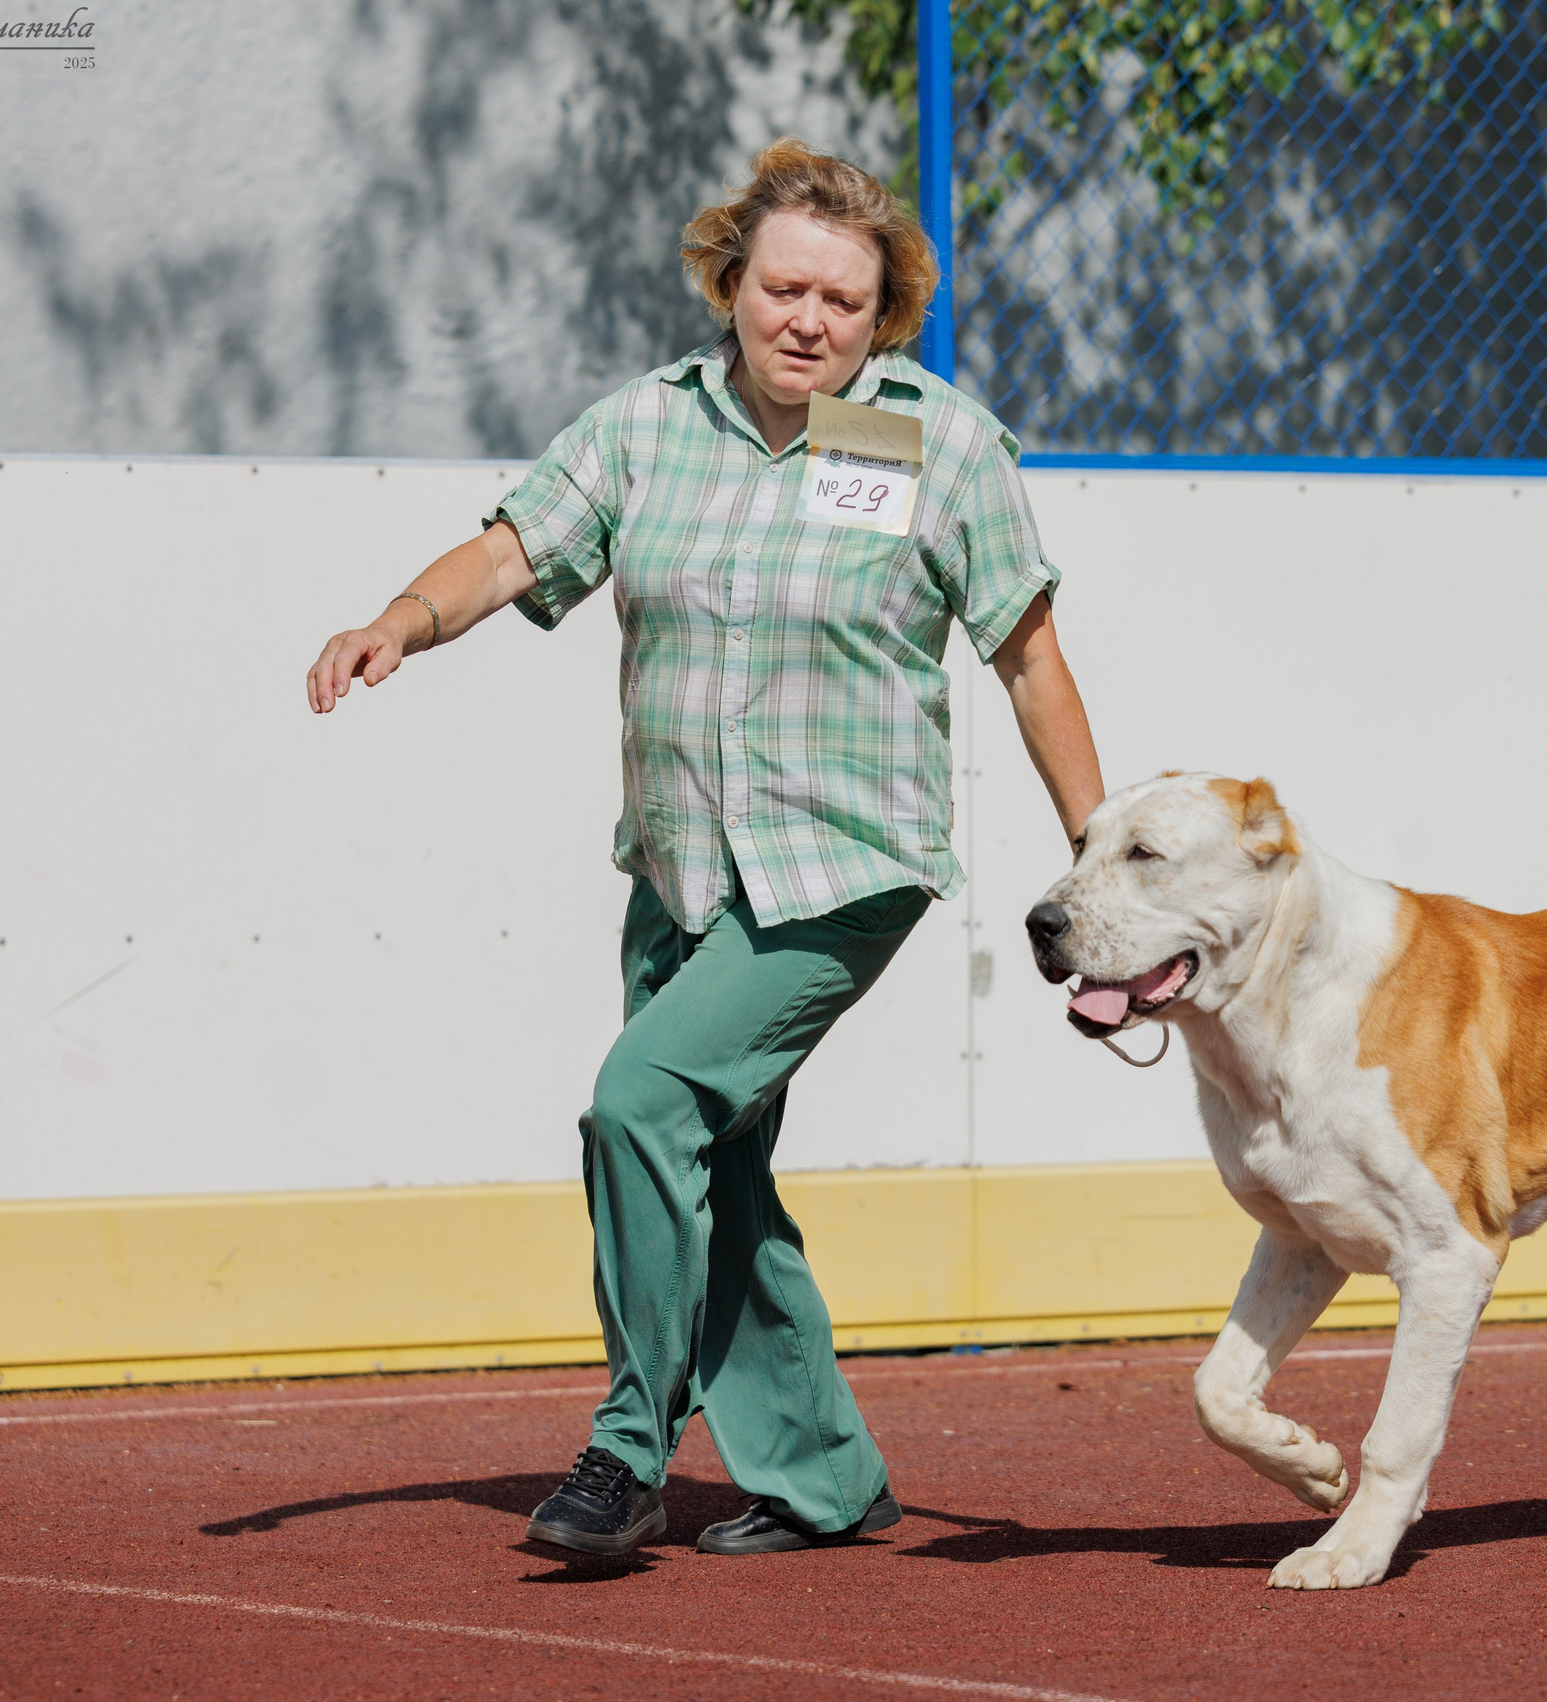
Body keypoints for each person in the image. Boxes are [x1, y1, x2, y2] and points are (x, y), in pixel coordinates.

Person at [304, 140, 1104, 1558]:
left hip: (843, 869)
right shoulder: (644, 428)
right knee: (712, 1169)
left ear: (885, 319)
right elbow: (511, 548)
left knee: (640, 1107)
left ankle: (624, 1452)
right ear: (730, 284)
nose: (809, 321)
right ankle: (823, 1483)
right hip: (680, 871)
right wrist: (399, 622)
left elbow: (1028, 657)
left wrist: (1100, 857)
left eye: (844, 304)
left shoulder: (936, 441)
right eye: (784, 288)